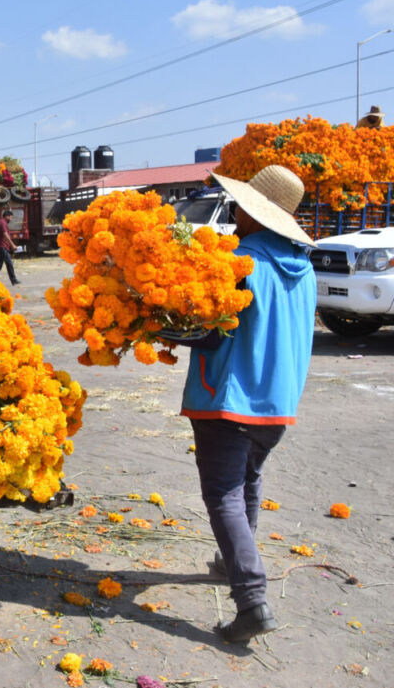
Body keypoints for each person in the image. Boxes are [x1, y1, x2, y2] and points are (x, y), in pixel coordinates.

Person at [176, 164, 316, 643]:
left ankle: (252, 599)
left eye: (241, 206)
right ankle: (231, 565)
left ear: (259, 216)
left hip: (229, 401)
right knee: (247, 482)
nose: (234, 211)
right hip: (276, 404)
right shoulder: (304, 267)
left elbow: (212, 334)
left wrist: (159, 326)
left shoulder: (242, 263)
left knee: (223, 497)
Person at [0, 209, 19, 285]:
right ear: (7, 216)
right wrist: (12, 244)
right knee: (9, 262)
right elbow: (5, 234)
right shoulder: (3, 223)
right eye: (11, 217)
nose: (11, 219)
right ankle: (14, 280)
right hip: (3, 246)